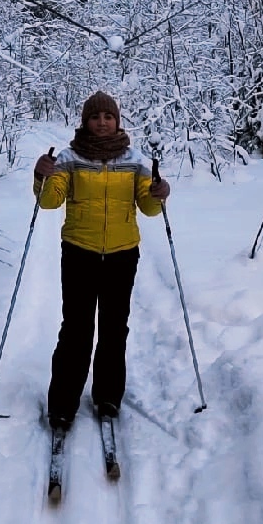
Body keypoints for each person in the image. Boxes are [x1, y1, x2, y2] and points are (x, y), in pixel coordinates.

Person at [33, 91, 170, 430]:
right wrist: (41, 176)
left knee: (114, 328)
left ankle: (108, 395)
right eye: (95, 117)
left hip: (123, 254)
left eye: (108, 116)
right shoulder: (69, 158)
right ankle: (63, 403)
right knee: (76, 329)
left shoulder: (135, 160)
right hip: (80, 251)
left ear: (117, 120)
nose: (102, 122)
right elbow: (49, 203)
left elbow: (149, 209)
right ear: (86, 121)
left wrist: (159, 193)